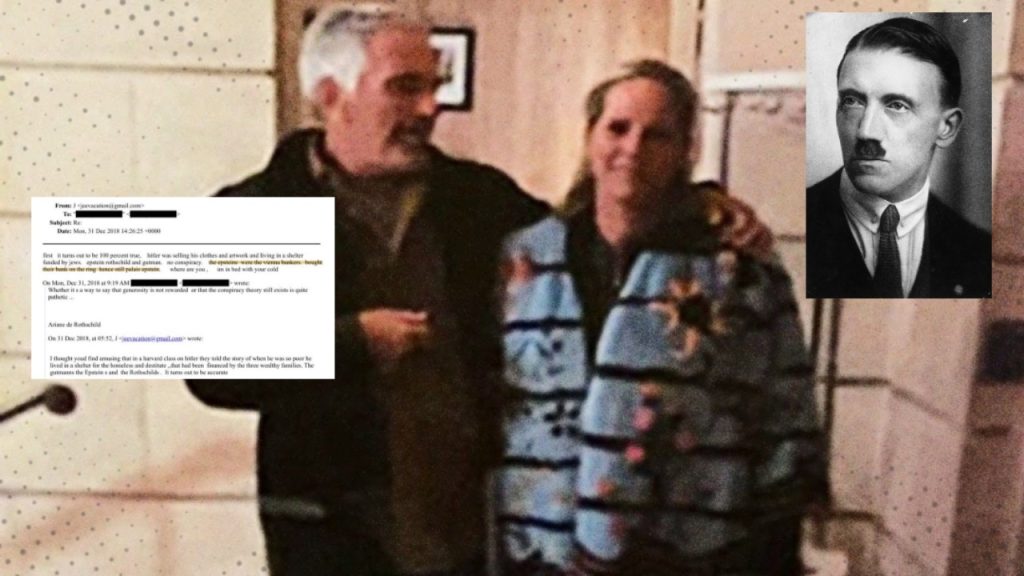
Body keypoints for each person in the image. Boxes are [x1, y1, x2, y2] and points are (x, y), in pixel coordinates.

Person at [186, 5, 772, 576]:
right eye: (405, 87)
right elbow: (206, 367)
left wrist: (698, 205)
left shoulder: (475, 198)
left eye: (433, 85)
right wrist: (354, 342)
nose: (430, 107)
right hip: (327, 540)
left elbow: (592, 235)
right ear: (331, 94)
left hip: (465, 535)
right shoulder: (255, 207)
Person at [496, 60, 827, 576]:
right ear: (590, 138)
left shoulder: (736, 268)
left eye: (657, 136)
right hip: (542, 549)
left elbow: (784, 409)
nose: (633, 148)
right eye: (618, 128)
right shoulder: (524, 260)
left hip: (691, 550)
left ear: (685, 151)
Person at [806, 17, 991, 298]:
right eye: (852, 101)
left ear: (946, 128)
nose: (866, 132)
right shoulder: (804, 225)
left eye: (897, 105)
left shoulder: (978, 253)